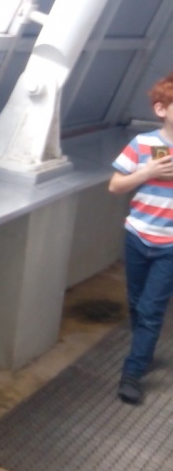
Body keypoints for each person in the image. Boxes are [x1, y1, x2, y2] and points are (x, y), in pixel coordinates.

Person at [109, 70, 173, 406]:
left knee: (150, 310)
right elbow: (115, 186)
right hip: (137, 237)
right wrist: (148, 172)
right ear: (161, 109)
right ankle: (143, 351)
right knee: (136, 304)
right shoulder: (143, 144)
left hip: (170, 247)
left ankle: (132, 372)